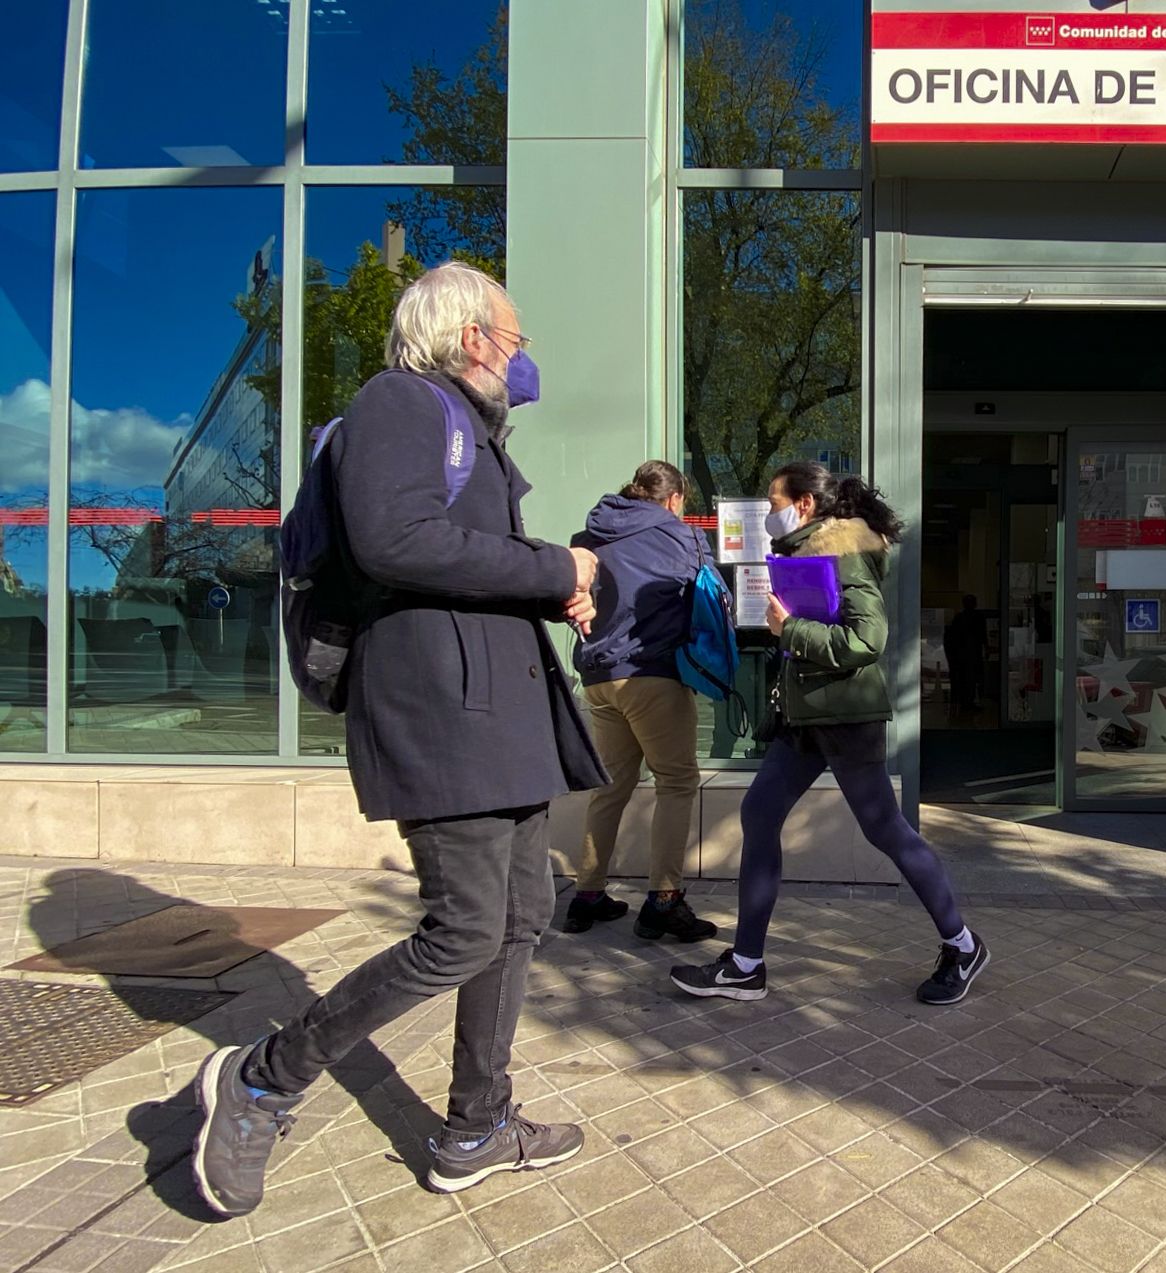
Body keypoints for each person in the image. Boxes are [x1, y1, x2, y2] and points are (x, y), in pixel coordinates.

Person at [191, 262, 608, 1217]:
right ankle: (262, 1077)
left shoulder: (471, 431)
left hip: (498, 717)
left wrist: (559, 585)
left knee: (517, 917)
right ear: (472, 338)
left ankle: (477, 1123)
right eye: (515, 337)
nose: (521, 354)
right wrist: (555, 562)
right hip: (440, 717)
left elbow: (462, 562)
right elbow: (394, 542)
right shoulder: (400, 402)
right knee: (463, 929)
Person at [670, 462, 989, 1006]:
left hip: (847, 718)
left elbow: (869, 639)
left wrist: (788, 628)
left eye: (774, 501)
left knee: (886, 832)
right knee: (760, 813)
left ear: (805, 504)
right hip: (808, 719)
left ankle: (962, 945)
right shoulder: (804, 551)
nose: (770, 511)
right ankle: (747, 965)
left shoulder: (841, 550)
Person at [564, 460, 717, 943]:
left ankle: (586, 896)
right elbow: (712, 594)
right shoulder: (680, 536)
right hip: (652, 676)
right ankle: (664, 901)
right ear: (674, 500)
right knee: (676, 782)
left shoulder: (589, 532)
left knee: (610, 787)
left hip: (597, 677)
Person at [944, 594, 986, 713]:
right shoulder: (974, 617)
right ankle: (967, 702)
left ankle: (966, 702)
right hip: (967, 654)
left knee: (967, 679)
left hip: (965, 655)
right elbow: (983, 636)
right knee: (969, 679)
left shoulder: (961, 618)